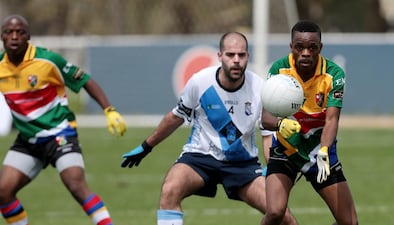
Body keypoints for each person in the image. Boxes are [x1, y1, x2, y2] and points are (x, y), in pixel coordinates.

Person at [120, 32, 297, 225]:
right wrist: (147, 146)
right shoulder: (200, 82)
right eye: (230, 55)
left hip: (242, 164)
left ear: (248, 56)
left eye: (241, 55)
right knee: (170, 190)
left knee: (282, 214)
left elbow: (267, 134)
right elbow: (175, 117)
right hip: (199, 158)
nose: (236, 60)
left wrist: (272, 169)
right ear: (220, 56)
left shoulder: (260, 88)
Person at [0, 15, 127, 225]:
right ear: (2, 36)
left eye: (20, 32)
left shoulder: (48, 61)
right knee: (4, 192)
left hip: (60, 134)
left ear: (28, 36)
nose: (14, 37)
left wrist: (109, 110)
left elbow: (85, 80)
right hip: (28, 139)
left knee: (76, 185)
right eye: (9, 32)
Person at [260, 20, 358, 225]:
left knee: (350, 222)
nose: (306, 52)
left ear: (320, 48)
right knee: (276, 212)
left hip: (318, 152)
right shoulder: (278, 69)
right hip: (287, 150)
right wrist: (280, 125)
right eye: (300, 47)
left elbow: (332, 119)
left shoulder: (334, 74)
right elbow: (266, 118)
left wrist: (324, 150)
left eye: (312, 48)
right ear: (291, 47)